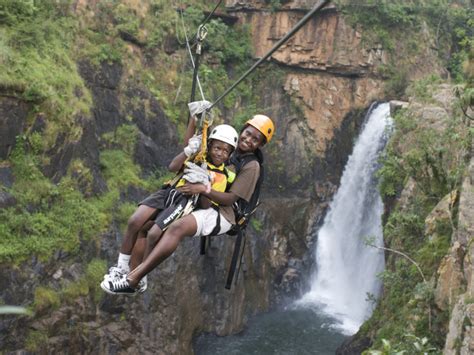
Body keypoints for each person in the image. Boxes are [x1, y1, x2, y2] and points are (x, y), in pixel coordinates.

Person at [101, 114, 275, 295]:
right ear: (242, 130)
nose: (248, 140)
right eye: (247, 134)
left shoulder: (252, 166)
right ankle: (131, 275)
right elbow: (192, 151)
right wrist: (194, 119)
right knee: (145, 226)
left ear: (260, 145)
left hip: (223, 211)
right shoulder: (228, 146)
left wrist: (202, 189)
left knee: (176, 228)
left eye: (256, 139)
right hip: (199, 195)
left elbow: (230, 199)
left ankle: (133, 279)